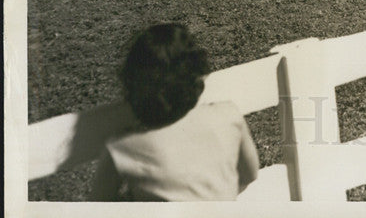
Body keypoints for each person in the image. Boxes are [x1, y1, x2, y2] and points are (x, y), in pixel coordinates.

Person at [91, 23, 260, 201]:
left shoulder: (121, 148)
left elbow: (96, 213)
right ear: (197, 76)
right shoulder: (229, 115)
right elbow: (250, 174)